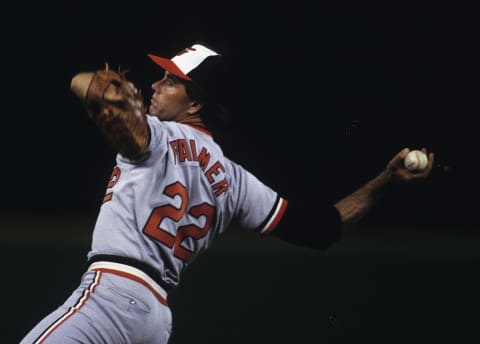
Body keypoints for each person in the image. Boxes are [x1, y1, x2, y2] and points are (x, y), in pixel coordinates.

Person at [20, 42, 434, 344]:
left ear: (196, 103)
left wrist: (100, 88)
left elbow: (97, 95)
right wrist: (386, 181)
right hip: (155, 320)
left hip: (112, 293)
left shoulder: (159, 136)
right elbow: (322, 229)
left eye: (171, 80)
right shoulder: (235, 180)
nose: (157, 84)